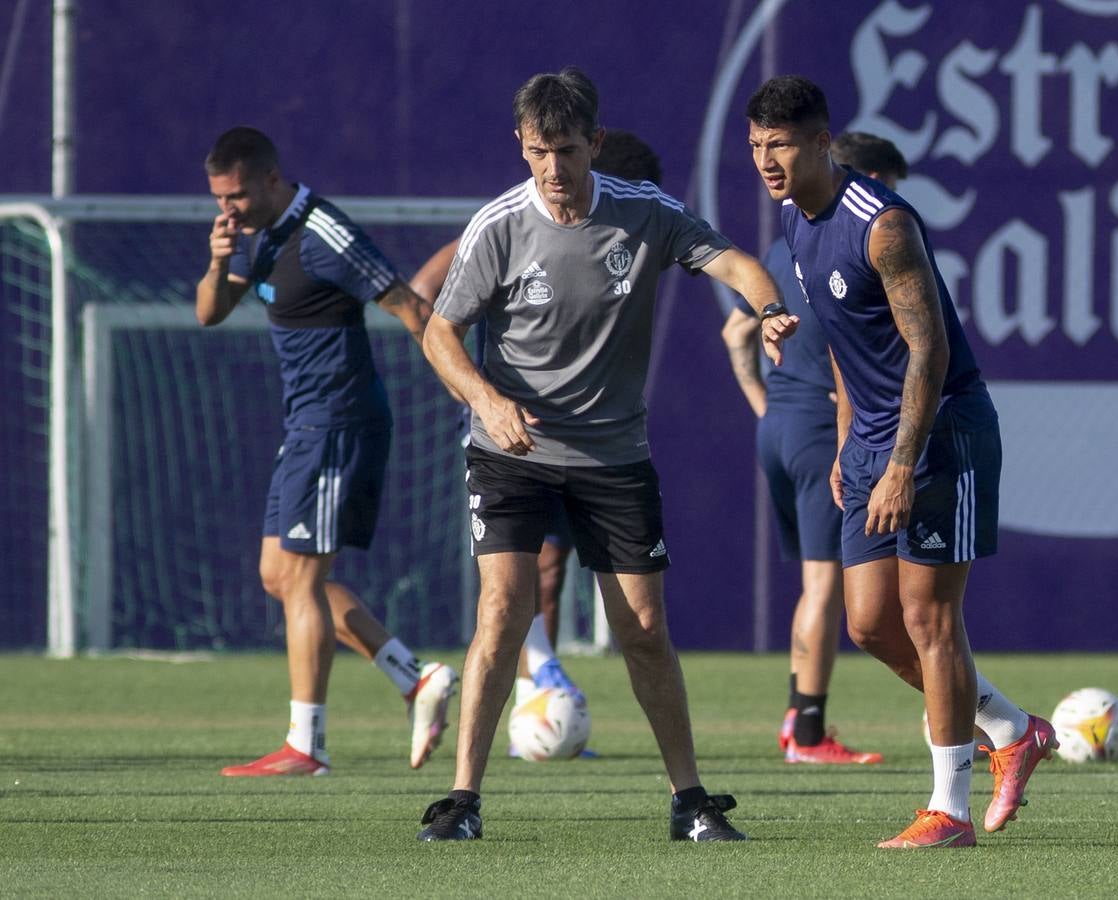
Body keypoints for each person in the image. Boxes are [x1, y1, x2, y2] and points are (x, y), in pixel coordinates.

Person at [415, 67, 796, 842]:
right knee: (502, 612)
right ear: (521, 149)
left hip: (614, 455)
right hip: (509, 449)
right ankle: (462, 803)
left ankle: (690, 802)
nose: (553, 170)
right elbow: (439, 332)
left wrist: (771, 310)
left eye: (566, 150)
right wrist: (488, 401)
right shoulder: (499, 226)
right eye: (536, 152)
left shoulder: (645, 213)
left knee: (645, 628)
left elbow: (733, 263)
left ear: (594, 143)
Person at [745, 77, 1057, 848]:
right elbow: (852, 350)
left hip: (941, 432)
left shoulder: (880, 224)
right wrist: (853, 442)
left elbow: (930, 348)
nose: (766, 162)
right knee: (871, 624)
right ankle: (1013, 730)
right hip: (873, 440)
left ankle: (948, 810)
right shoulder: (792, 219)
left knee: (928, 618)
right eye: (754, 147)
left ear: (821, 142)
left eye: (779, 145)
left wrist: (899, 463)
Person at [195, 126, 458, 776]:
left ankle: (306, 746)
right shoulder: (256, 237)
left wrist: (473, 395)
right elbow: (210, 311)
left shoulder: (323, 231)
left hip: (341, 423)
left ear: (272, 179)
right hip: (306, 426)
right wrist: (216, 259)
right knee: (280, 578)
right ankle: (413, 678)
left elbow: (412, 309)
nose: (230, 209)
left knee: (303, 578)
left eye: (238, 197)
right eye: (220, 199)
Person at [409, 130, 665, 720]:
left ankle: (538, 696)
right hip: (515, 434)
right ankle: (537, 688)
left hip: (591, 440)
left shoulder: (625, 230)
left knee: (562, 576)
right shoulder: (510, 228)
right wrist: (477, 394)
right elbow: (425, 300)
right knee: (531, 575)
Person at [720, 132, 907, 767]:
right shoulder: (855, 237)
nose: (894, 201)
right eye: (890, 185)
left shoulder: (785, 240)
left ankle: (795, 722)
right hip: (822, 430)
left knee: (815, 582)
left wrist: (766, 409)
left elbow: (735, 331)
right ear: (870, 176)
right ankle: (807, 732)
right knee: (824, 585)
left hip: (780, 426)